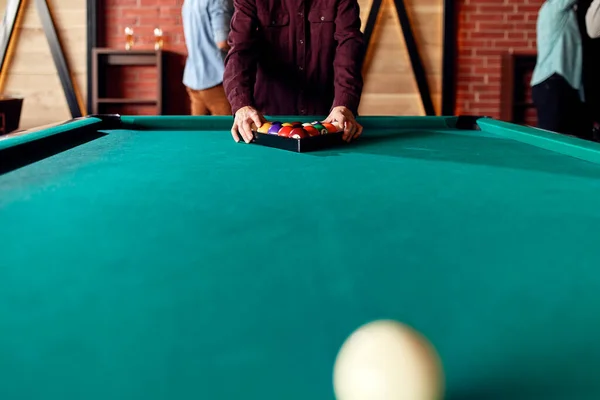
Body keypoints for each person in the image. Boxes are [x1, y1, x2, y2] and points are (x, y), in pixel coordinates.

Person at [223, 0, 365, 143]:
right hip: (267, 125)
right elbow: (239, 52)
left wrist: (344, 102)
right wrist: (241, 104)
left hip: (330, 121)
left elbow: (349, 49)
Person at [531, 0, 591, 139]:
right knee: (550, 142)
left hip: (564, 85)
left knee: (581, 139)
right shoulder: (555, 7)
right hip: (552, 83)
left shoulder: (568, 11)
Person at [182, 0, 233, 116]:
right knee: (227, 131)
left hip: (193, 79)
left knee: (199, 132)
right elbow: (223, 42)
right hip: (217, 79)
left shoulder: (189, 1)